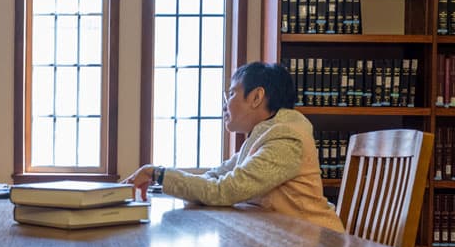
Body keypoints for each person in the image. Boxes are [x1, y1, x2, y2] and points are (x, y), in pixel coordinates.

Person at [124, 61, 344, 232]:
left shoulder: (284, 138)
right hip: (284, 240)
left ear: (257, 97)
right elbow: (214, 178)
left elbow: (225, 191)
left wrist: (158, 174)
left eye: (231, 93)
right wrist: (160, 177)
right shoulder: (263, 135)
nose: (224, 105)